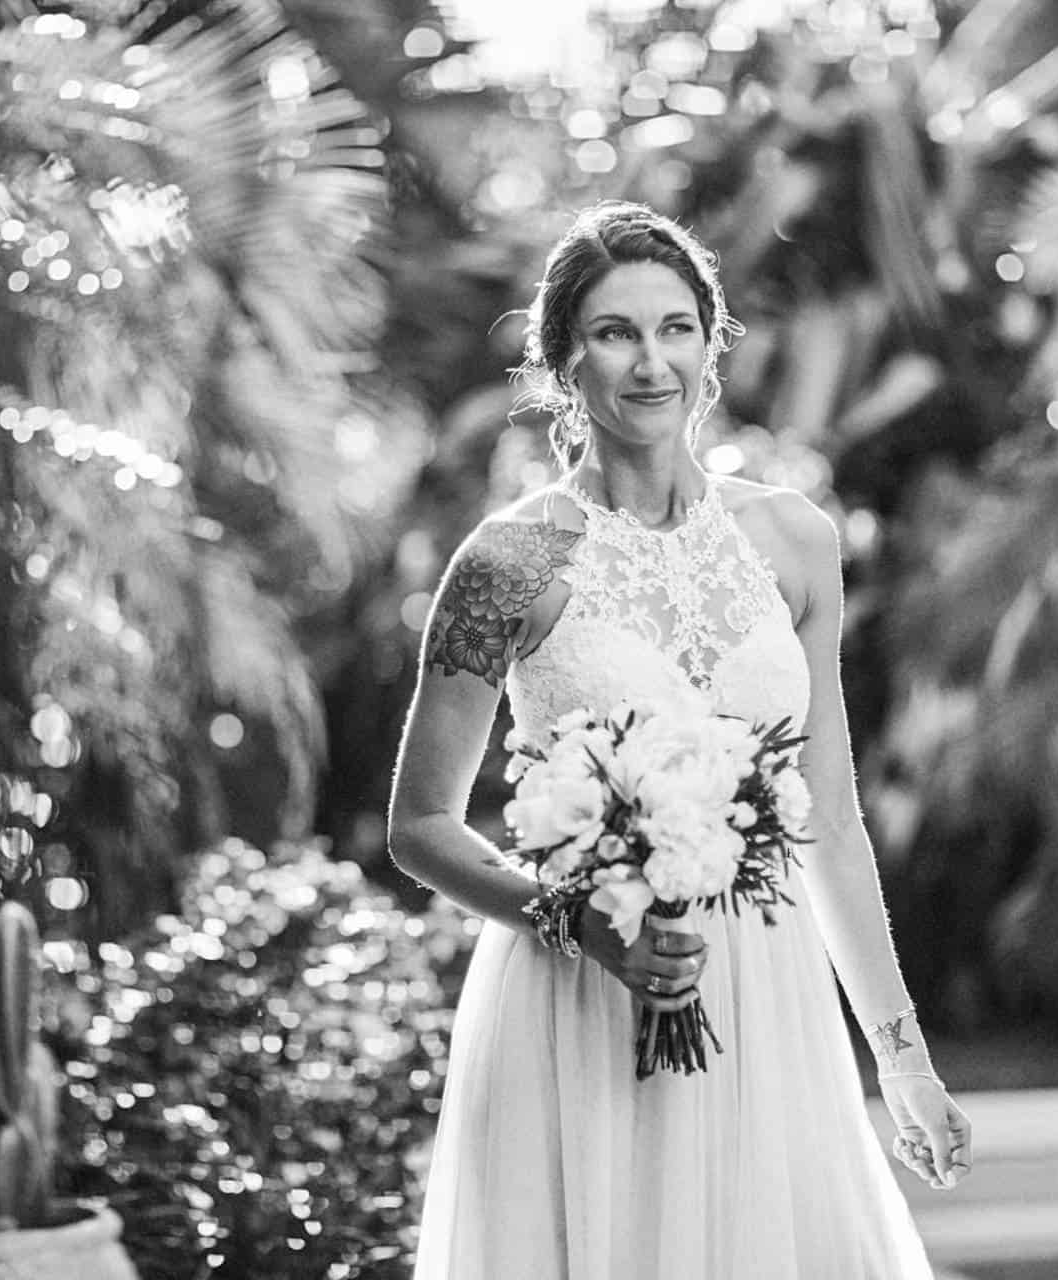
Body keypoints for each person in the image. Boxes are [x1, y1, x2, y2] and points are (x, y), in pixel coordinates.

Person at [387, 200, 969, 1279]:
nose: (650, 361)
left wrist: (904, 1057)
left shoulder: (796, 539)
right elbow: (419, 822)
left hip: (768, 991)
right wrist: (577, 920)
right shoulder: (507, 562)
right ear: (563, 361)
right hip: (580, 987)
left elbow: (830, 819)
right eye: (613, 332)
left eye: (674, 328)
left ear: (712, 345)